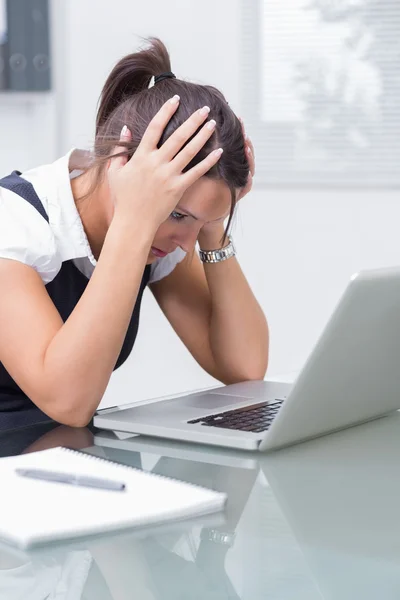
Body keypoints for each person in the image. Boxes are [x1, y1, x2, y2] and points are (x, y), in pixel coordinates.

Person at [0, 38, 269, 431]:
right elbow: (68, 401)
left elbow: (244, 366)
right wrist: (136, 220)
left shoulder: (160, 239)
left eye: (198, 222)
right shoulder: (15, 222)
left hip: (59, 457)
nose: (184, 241)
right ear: (121, 165)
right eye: (177, 214)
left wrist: (213, 228)